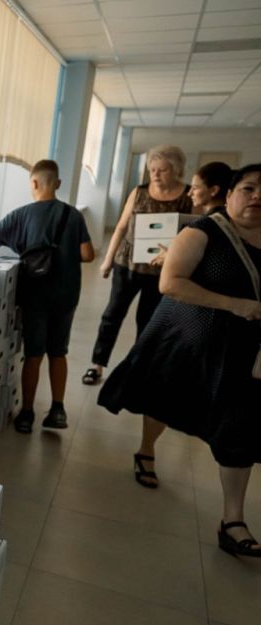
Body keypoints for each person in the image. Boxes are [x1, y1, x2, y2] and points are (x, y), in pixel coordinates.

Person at [98, 164, 261, 557]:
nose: (257, 197)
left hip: (244, 353)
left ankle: (232, 520)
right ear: (229, 194)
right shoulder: (204, 231)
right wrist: (234, 304)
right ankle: (146, 449)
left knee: (238, 428)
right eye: (249, 188)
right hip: (188, 340)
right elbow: (170, 283)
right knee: (163, 399)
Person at [127, 161, 234, 488]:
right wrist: (171, 258)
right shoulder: (201, 226)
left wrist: (169, 258)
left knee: (173, 387)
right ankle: (147, 449)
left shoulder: (224, 228)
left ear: (214, 190)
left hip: (208, 322)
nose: (191, 192)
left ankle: (149, 448)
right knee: (165, 384)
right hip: (188, 320)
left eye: (196, 186)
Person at [0, 160, 94, 433]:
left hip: (34, 294)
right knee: (58, 351)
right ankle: (58, 410)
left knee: (34, 353)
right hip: (66, 294)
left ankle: (27, 413)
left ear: (34, 183)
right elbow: (87, 254)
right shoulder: (73, 215)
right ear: (58, 183)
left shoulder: (21, 215)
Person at [82, 145, 193, 386]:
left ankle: (138, 368)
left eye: (162, 170)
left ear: (176, 171)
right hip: (128, 264)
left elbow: (194, 233)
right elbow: (121, 227)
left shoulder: (188, 196)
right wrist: (108, 260)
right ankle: (97, 365)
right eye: (152, 169)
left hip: (162, 270)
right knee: (112, 315)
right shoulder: (139, 192)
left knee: (148, 321)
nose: (156, 175)